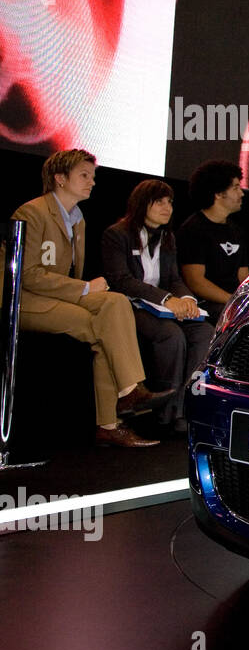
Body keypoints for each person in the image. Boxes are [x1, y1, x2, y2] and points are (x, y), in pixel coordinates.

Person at [11, 150, 169, 447]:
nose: (93, 182)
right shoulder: (31, 213)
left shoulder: (78, 219)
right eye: (84, 175)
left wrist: (84, 289)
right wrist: (83, 288)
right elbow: (28, 275)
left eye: (93, 176)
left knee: (115, 302)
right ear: (60, 179)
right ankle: (113, 418)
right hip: (27, 301)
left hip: (58, 297)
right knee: (102, 328)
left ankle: (129, 392)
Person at [102, 180, 215, 432]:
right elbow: (121, 280)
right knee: (171, 335)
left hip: (163, 306)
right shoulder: (116, 234)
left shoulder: (167, 237)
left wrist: (187, 300)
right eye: (160, 202)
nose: (167, 208)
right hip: (131, 306)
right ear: (142, 203)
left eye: (170, 202)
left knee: (205, 332)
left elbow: (174, 279)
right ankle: (164, 413)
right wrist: (166, 299)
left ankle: (184, 409)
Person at [178, 160, 249, 320]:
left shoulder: (236, 231)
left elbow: (243, 276)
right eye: (236, 187)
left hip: (232, 302)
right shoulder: (193, 229)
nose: (242, 193)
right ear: (218, 193)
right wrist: (233, 301)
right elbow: (195, 281)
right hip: (206, 304)